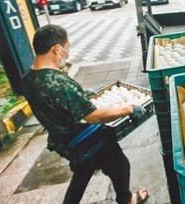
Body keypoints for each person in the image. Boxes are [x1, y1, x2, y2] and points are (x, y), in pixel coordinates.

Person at [21, 24, 148, 204]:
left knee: (82, 172)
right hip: (87, 140)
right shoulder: (58, 83)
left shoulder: (27, 78)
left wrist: (79, 96)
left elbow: (51, 103)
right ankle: (127, 200)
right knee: (120, 165)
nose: (67, 51)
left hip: (62, 141)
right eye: (67, 47)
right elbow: (94, 116)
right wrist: (129, 108)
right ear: (57, 49)